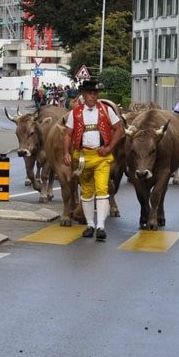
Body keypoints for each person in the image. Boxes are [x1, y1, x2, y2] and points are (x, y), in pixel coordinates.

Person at [63, 79, 123, 242]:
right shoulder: (75, 113)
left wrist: (109, 147)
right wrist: (66, 153)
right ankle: (90, 225)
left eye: (95, 93)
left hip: (102, 157)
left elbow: (119, 129)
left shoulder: (106, 110)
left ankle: (101, 226)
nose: (93, 96)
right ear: (83, 94)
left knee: (102, 189)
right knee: (87, 192)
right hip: (82, 157)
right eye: (89, 93)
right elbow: (68, 133)